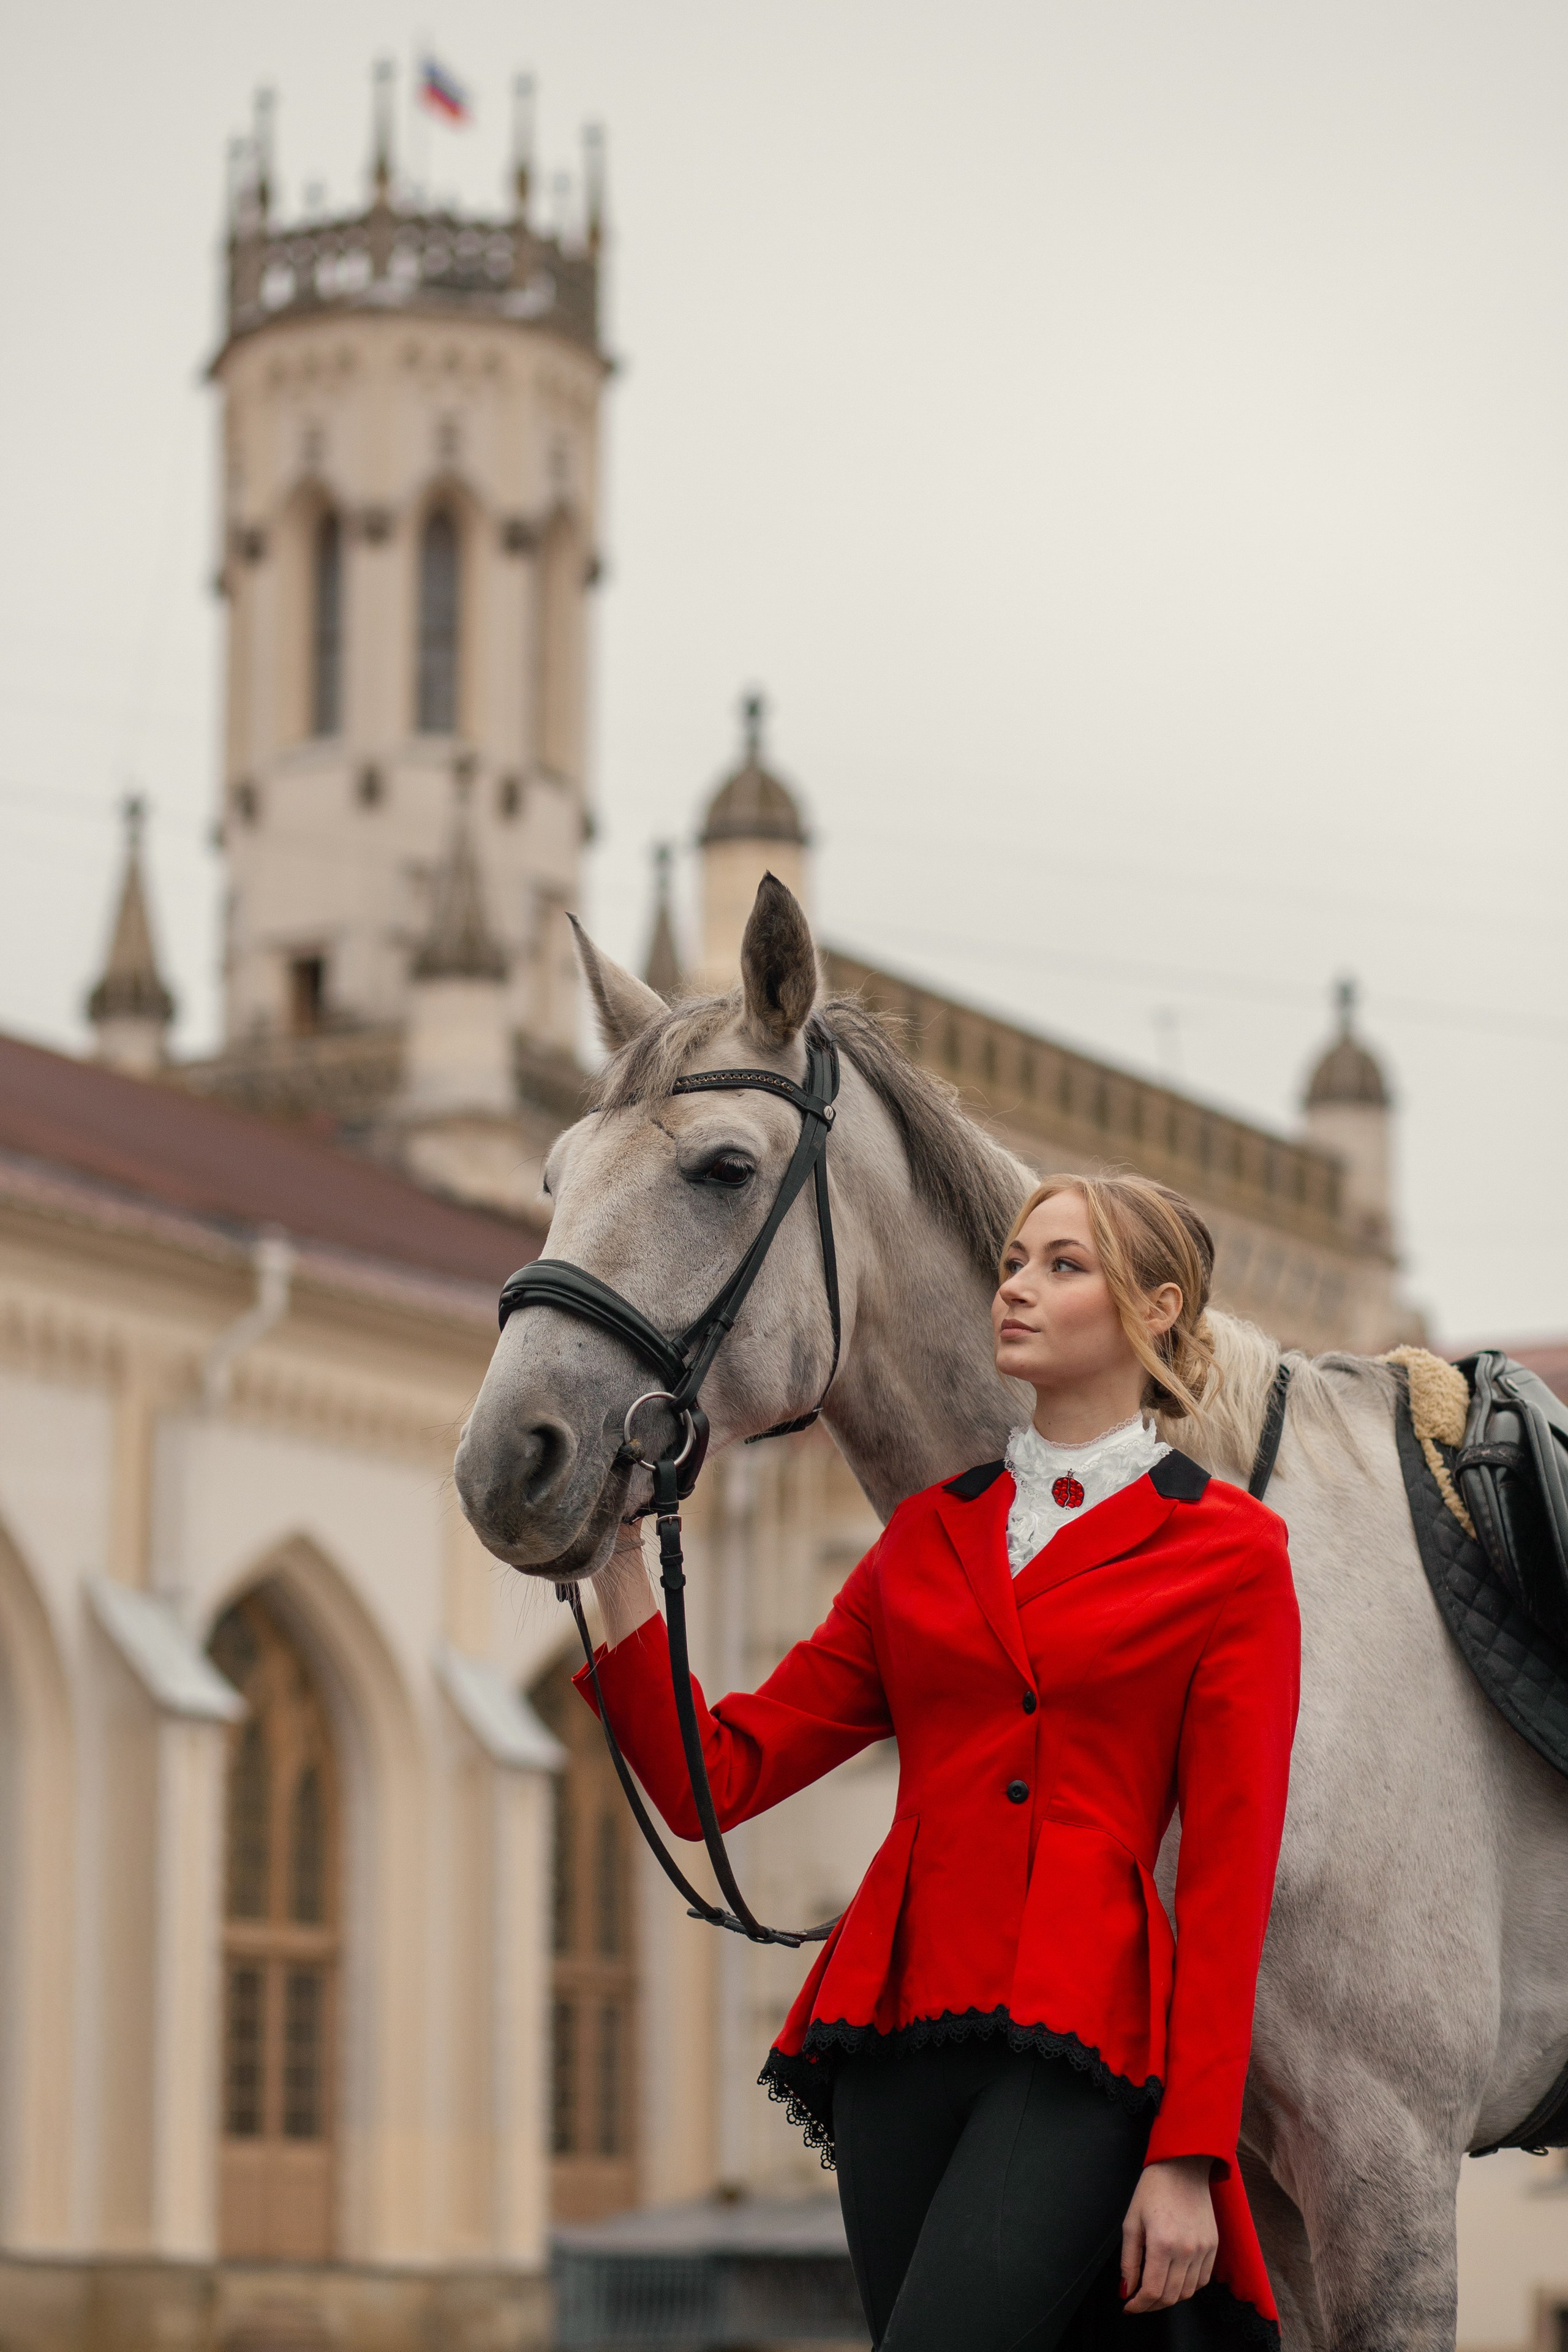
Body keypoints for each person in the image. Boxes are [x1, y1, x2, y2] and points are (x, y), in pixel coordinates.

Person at [579, 1173, 1300, 2351]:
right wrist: (614, 1565)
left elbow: (1230, 1875)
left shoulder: (1231, 1554)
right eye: (1015, 1261)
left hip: (1081, 2040)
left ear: (1158, 1308)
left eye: (1062, 1265)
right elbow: (719, 1776)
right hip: (895, 2038)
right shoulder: (927, 1535)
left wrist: (1189, 2153)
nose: (1016, 1285)